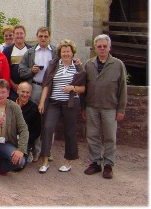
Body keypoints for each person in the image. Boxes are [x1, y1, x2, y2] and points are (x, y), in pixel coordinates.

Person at [82, 34, 127, 179]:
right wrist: (83, 107)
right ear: (95, 47)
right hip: (92, 106)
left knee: (110, 137)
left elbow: (122, 89)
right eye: (99, 46)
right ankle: (95, 162)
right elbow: (84, 87)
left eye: (104, 46)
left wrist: (121, 109)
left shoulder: (118, 64)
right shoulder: (89, 64)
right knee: (92, 136)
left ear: (109, 47)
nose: (102, 49)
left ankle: (108, 165)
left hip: (110, 107)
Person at [37, 39, 86, 173]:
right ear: (60, 52)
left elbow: (83, 88)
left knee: (69, 131)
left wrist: (72, 87)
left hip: (70, 103)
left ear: (72, 53)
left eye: (68, 51)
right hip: (54, 102)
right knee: (47, 128)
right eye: (63, 51)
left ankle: (68, 162)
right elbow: (46, 84)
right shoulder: (53, 64)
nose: (65, 54)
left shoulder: (77, 66)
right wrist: (42, 102)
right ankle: (45, 161)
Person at [18, 26, 57, 161]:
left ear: (49, 37)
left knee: (49, 122)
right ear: (37, 37)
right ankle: (34, 149)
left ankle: (47, 150)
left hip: (51, 89)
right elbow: (21, 71)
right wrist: (31, 70)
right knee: (34, 120)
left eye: (46, 36)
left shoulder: (56, 52)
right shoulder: (30, 52)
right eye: (40, 36)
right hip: (35, 88)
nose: (43, 39)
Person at [2, 24, 32, 101]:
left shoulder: (31, 50)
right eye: (17, 33)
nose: (19, 36)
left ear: (25, 35)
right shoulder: (7, 50)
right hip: (13, 88)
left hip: (28, 87)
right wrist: (13, 85)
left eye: (21, 33)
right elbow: (5, 70)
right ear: (14, 35)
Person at [16, 82, 41, 163]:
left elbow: (37, 130)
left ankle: (28, 151)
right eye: (23, 92)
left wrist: (26, 140)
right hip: (10, 138)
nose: (25, 94)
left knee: (19, 164)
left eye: (27, 92)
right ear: (17, 91)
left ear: (30, 94)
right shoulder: (10, 104)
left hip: (24, 140)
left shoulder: (33, 108)